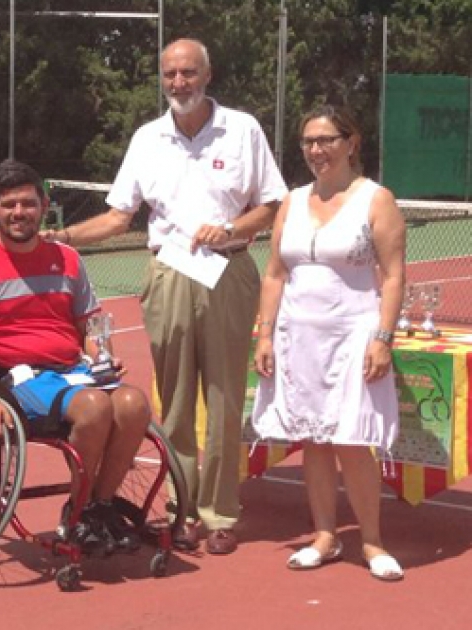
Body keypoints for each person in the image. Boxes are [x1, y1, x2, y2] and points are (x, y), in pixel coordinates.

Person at [45, 38, 287, 555]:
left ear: (208, 73)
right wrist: (63, 238)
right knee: (174, 402)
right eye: (171, 74)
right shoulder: (147, 138)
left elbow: (270, 207)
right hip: (168, 275)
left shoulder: (243, 129)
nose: (179, 83)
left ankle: (220, 513)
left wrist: (230, 228)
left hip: (229, 272)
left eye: (188, 73)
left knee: (224, 399)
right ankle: (182, 510)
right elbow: (118, 216)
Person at [0, 158, 152, 552]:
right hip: (16, 378)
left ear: (43, 206)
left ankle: (95, 507)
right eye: (9, 205)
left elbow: (90, 327)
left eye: (27, 204)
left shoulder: (69, 259)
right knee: (92, 408)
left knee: (134, 403)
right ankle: (84, 513)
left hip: (72, 371)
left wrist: (102, 357)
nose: (19, 213)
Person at [251, 105, 406, 581]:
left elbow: (395, 274)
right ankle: (325, 536)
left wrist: (382, 337)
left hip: (354, 334)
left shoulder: (376, 200)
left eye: (326, 140)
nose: (316, 150)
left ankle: (373, 542)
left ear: (351, 142)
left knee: (351, 440)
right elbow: (275, 273)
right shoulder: (292, 201)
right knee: (314, 440)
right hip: (300, 337)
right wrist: (266, 331)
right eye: (308, 142)